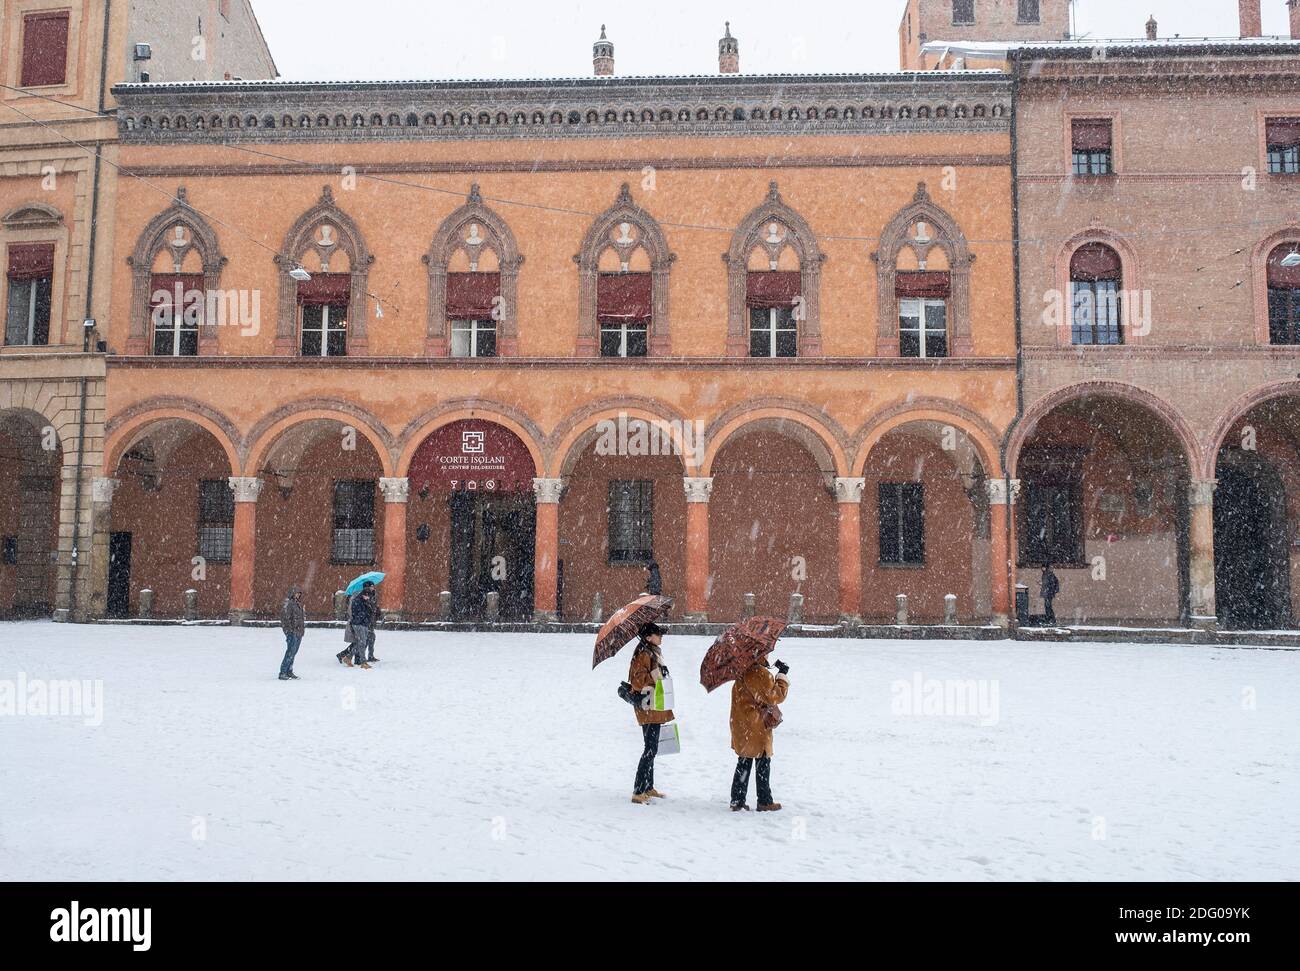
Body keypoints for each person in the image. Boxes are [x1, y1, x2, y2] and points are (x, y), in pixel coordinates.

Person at [729, 656, 790, 812]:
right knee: (763, 762)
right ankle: (764, 800)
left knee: (744, 761)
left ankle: (737, 800)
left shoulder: (742, 670)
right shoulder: (759, 672)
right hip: (756, 726)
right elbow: (775, 696)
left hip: (742, 724)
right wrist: (782, 676)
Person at [627, 622, 672, 805]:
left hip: (655, 704)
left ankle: (648, 786)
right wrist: (657, 678)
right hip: (648, 706)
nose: (661, 637)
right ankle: (638, 791)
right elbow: (638, 681)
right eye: (658, 634)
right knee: (650, 748)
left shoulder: (652, 652)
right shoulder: (643, 654)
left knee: (651, 747)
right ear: (648, 637)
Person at [339, 582, 375, 669]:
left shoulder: (365, 601)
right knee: (361, 643)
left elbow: (368, 612)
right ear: (364, 594)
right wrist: (366, 612)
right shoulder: (357, 600)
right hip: (358, 624)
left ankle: (348, 657)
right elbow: (356, 614)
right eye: (367, 596)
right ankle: (363, 662)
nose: (368, 598)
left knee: (360, 642)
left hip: (364, 624)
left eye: (369, 596)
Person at [278, 587, 305, 681]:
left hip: (298, 632)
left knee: (293, 652)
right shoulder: (289, 604)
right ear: (292, 594)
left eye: (299, 593)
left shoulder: (297, 604)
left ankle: (289, 671)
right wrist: (290, 631)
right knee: (290, 652)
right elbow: (285, 619)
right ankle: (283, 672)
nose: (298, 595)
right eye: (296, 593)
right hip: (292, 632)